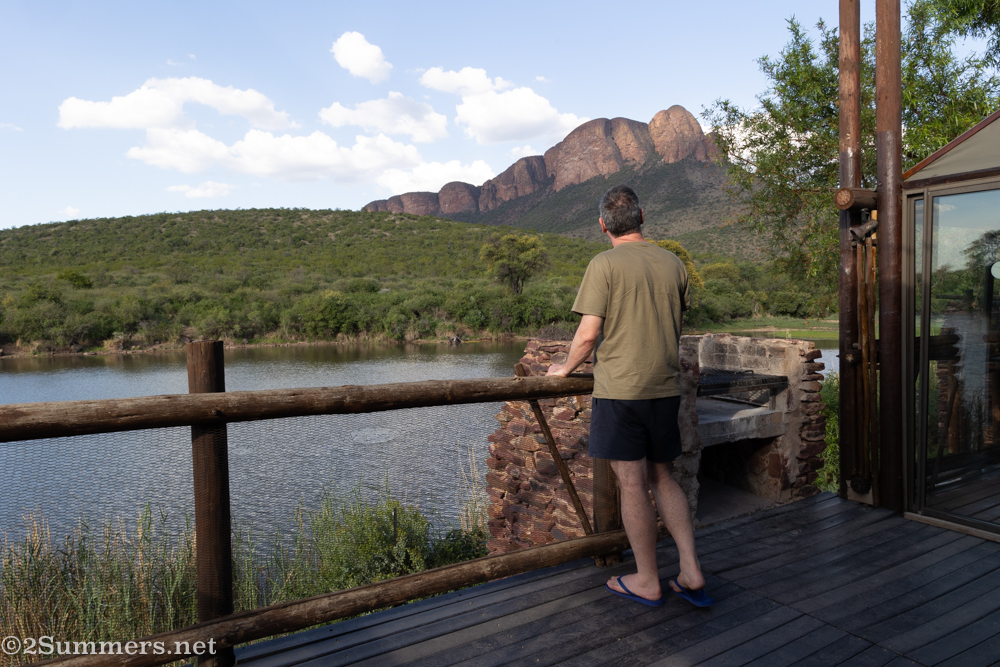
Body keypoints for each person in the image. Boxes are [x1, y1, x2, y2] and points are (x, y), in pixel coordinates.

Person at [546, 184, 711, 608]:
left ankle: (647, 580)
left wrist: (565, 369)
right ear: (642, 217)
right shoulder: (673, 263)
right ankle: (691, 571)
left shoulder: (603, 264)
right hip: (664, 388)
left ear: (603, 225)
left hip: (621, 392)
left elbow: (588, 333)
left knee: (632, 484)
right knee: (664, 476)